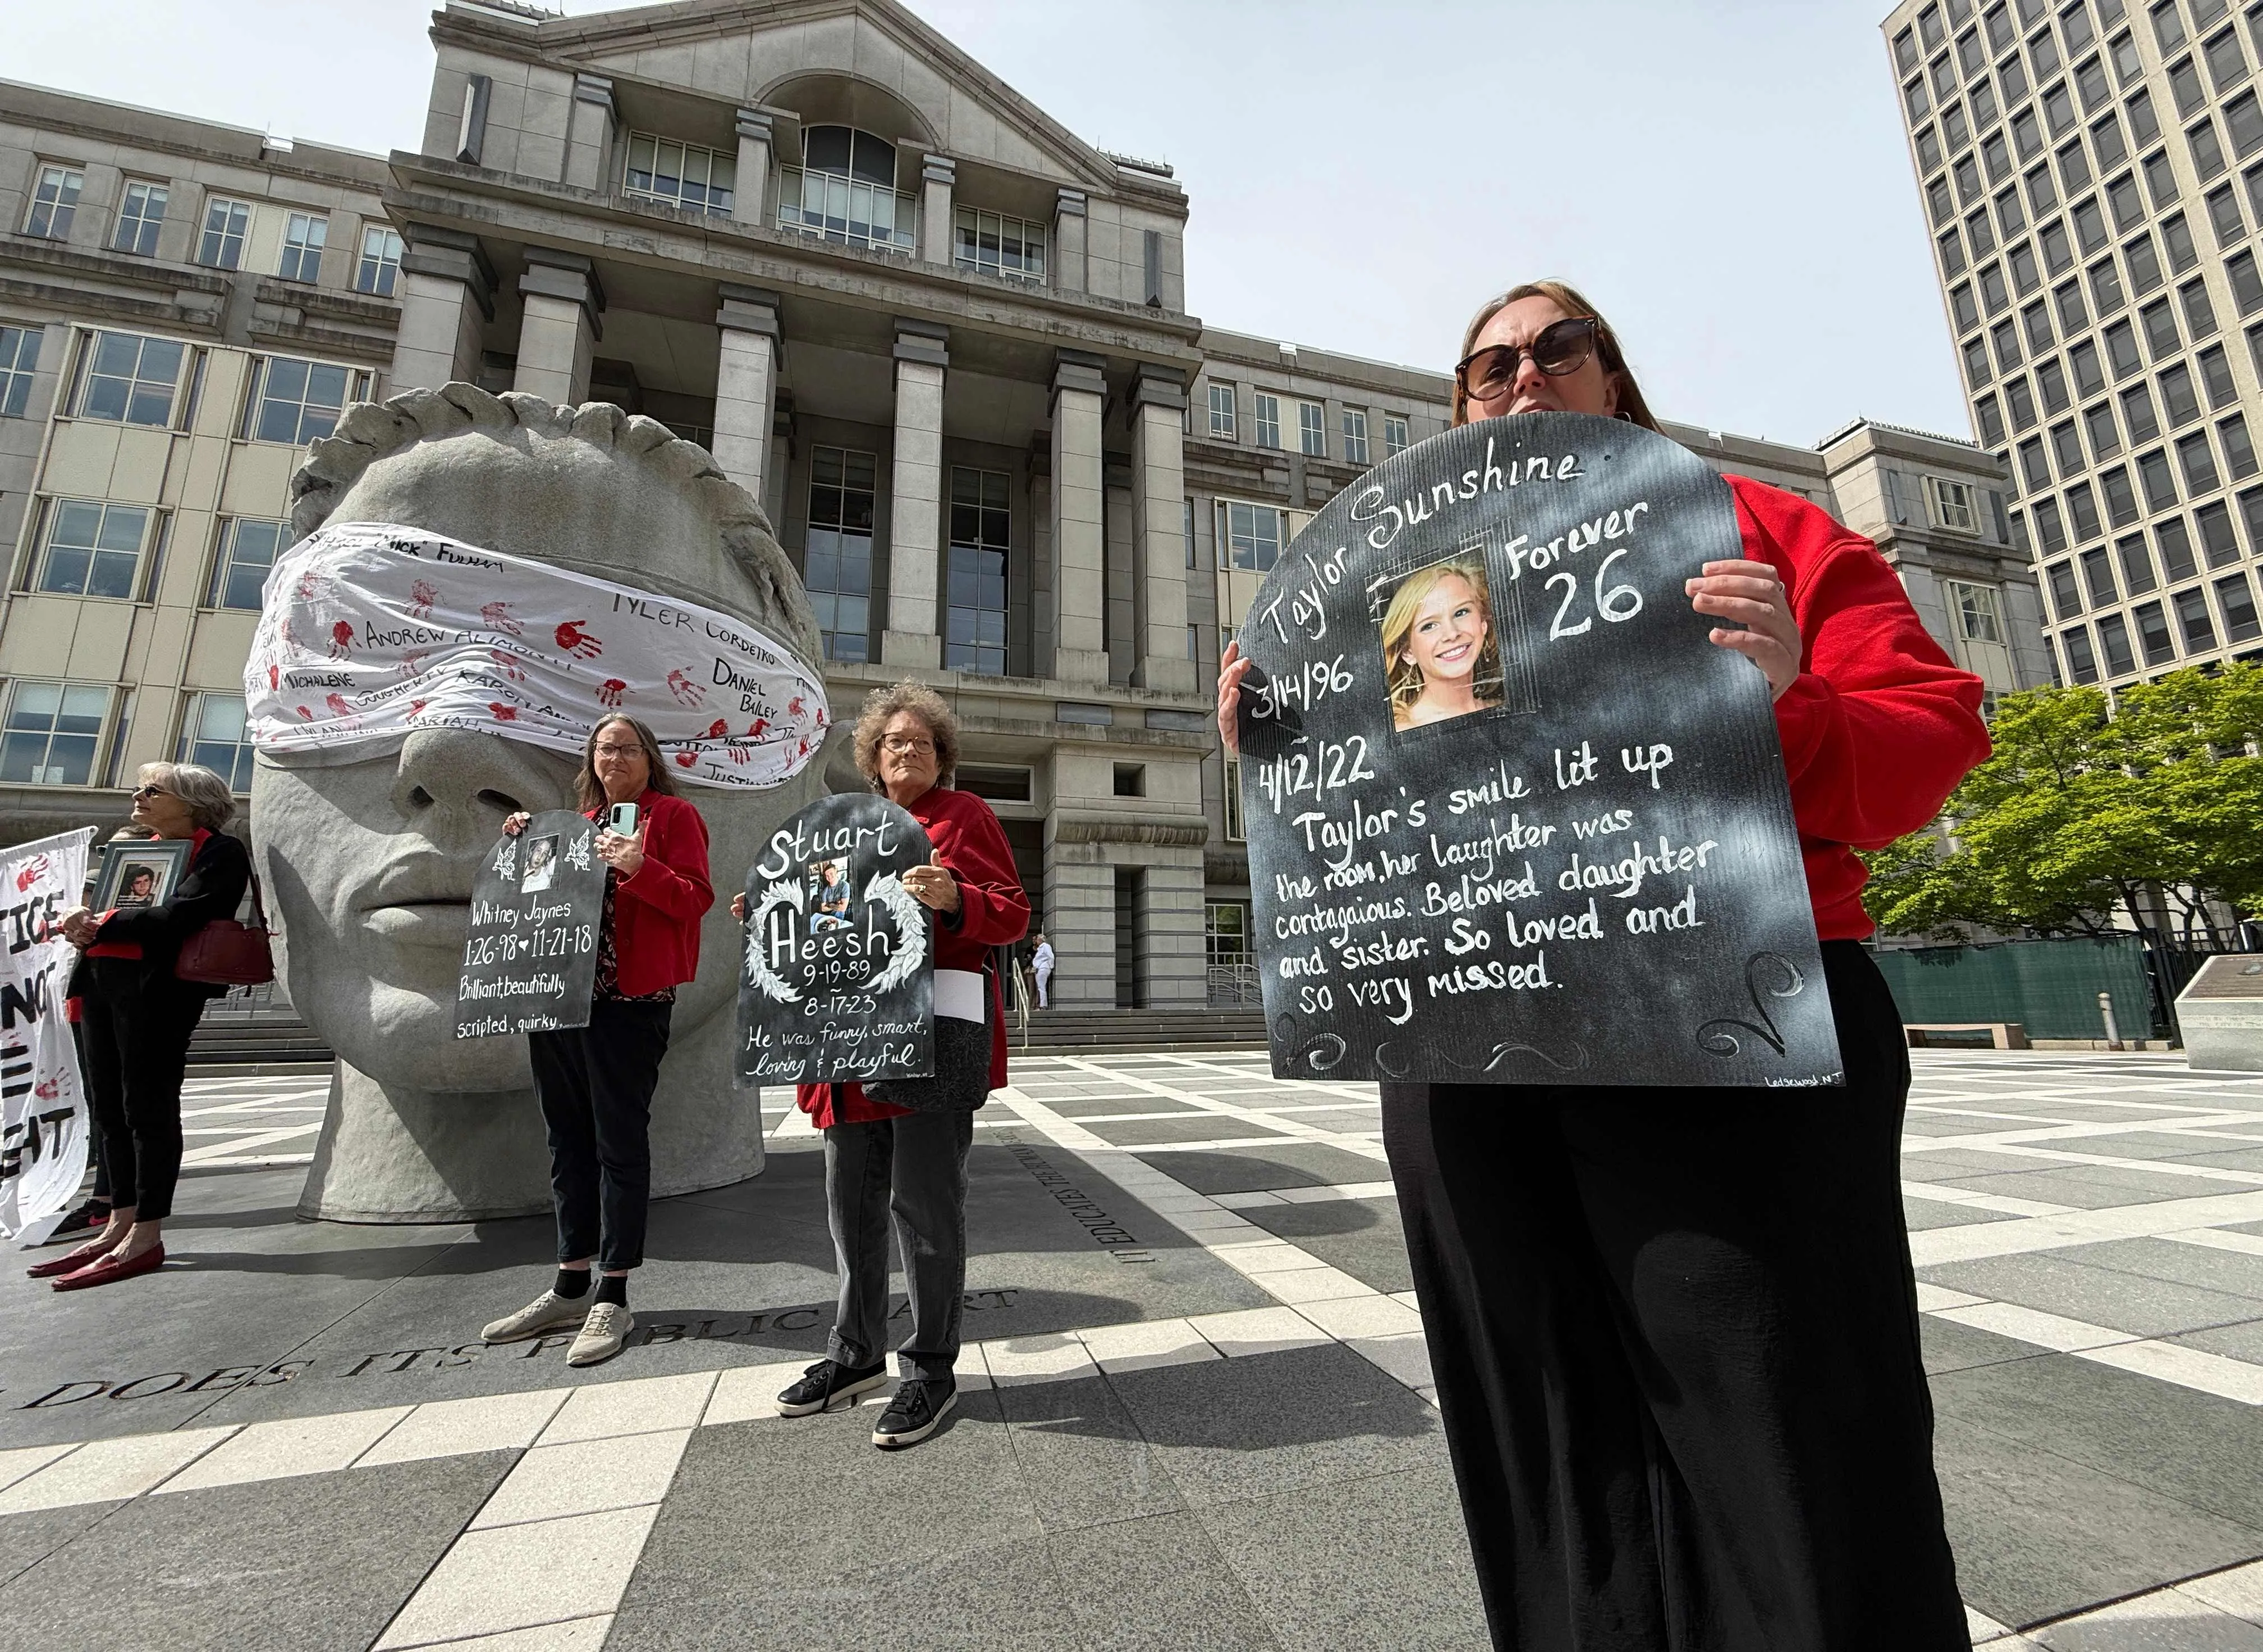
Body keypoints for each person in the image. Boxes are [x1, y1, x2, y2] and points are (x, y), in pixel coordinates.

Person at [1217, 279, 1988, 1650]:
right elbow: (1375, 816)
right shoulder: (1403, 606)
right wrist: (1285, 747)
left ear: (1615, 382)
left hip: (1728, 1022)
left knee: (1787, 1424)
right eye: (1488, 363)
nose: (1523, 375)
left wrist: (1786, 696)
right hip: (1466, 1046)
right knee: (1546, 1433)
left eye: (1558, 348)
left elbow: (1930, 741)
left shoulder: (1759, 528)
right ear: (1458, 405)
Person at [739, 682, 1028, 1449]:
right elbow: (816, 928)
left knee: (926, 1212)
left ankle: (930, 1369)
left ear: (942, 758)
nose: (907, 752)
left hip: (927, 1042)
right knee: (850, 1212)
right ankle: (855, 1354)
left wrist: (958, 898)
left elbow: (1012, 911)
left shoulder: (962, 818)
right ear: (871, 757)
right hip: (844, 1048)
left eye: (922, 744)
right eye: (894, 743)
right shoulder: (836, 832)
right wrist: (771, 912)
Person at [479, 714, 713, 1367]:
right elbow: (534, 903)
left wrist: (642, 866)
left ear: (649, 757)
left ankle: (614, 1290)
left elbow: (696, 899)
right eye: (603, 747)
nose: (614, 756)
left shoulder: (670, 817)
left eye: (627, 747)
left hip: (629, 1002)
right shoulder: (575, 824)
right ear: (592, 758)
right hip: (557, 999)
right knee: (566, 1140)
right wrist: (522, 847)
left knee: (618, 1140)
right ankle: (569, 1282)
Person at [30, 765, 250, 1290]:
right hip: (100, 984)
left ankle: (146, 1234)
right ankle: (117, 1225)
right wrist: (77, 920)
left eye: (153, 791)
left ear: (193, 802)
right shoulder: (135, 849)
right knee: (108, 1110)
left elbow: (181, 914)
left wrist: (102, 921)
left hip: (157, 994)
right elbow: (105, 913)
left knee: (146, 1108)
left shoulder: (220, 850)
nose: (139, 796)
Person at [1381, 558, 1504, 731]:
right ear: (1408, 651)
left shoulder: (1503, 708)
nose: (1452, 634)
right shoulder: (1403, 728)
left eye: (1461, 613)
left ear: (1483, 623)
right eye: (1429, 626)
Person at [1031, 932, 1054, 1010]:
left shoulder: (1046, 946)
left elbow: (1051, 956)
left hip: (1043, 968)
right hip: (1040, 969)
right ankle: (1042, 1005)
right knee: (1041, 987)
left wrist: (1051, 966)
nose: (1036, 941)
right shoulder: (1040, 948)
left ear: (1041, 939)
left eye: (1037, 939)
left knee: (1041, 987)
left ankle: (1043, 1005)